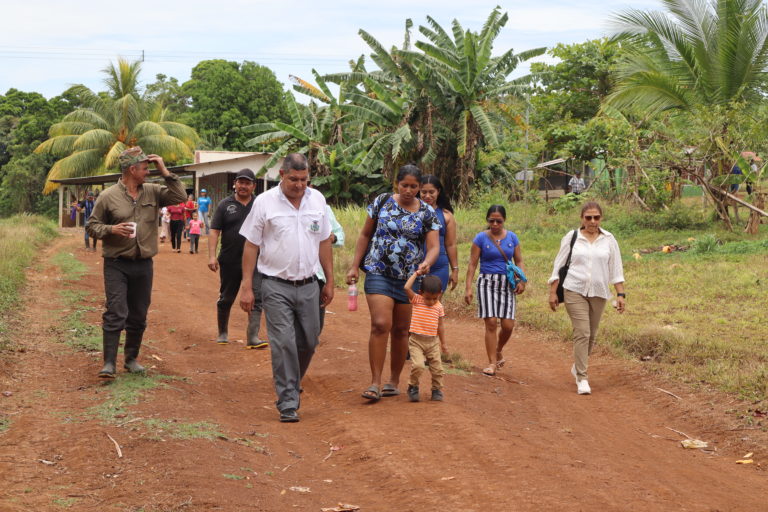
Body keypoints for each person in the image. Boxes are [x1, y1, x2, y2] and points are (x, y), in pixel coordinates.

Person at [238, 153, 334, 423]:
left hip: (309, 285)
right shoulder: (264, 202)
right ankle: (288, 399)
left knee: (308, 341)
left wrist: (329, 280)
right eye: (294, 179)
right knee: (283, 344)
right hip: (275, 285)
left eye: (304, 180)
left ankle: (291, 380)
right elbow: (251, 245)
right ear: (282, 175)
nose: (300, 185)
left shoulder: (318, 200)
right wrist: (247, 286)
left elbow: (324, 241)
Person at [86, 146, 187, 378]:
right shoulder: (107, 196)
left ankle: (131, 359)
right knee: (116, 311)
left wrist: (164, 170)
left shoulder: (153, 191)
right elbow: (91, 226)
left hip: (143, 264)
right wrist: (112, 229)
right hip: (116, 263)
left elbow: (180, 197)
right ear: (132, 170)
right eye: (145, 168)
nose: (148, 173)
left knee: (139, 314)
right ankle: (109, 363)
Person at [346, 164, 440, 401]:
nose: (409, 190)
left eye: (414, 186)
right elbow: (365, 234)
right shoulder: (382, 202)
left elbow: (434, 246)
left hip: (409, 280)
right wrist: (354, 265)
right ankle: (375, 382)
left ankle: (393, 380)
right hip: (378, 271)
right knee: (380, 324)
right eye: (404, 185)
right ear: (396, 183)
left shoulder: (427, 213)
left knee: (400, 331)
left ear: (420, 187)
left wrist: (427, 262)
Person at [548, 202, 625, 395]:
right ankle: (582, 377)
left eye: (596, 217)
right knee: (582, 332)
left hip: (599, 292)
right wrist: (552, 292)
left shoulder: (609, 239)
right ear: (582, 218)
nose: (592, 221)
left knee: (591, 334)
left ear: (601, 218)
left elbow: (616, 268)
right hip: (574, 289)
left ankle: (577, 365)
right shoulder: (572, 237)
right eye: (588, 217)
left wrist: (620, 294)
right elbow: (558, 265)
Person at [207, 168, 266, 349]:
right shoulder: (225, 205)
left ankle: (252, 336)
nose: (243, 186)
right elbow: (215, 230)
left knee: (256, 296)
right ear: (235, 184)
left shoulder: (260, 204)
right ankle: (223, 332)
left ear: (253, 186)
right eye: (240, 182)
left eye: (247, 183)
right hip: (230, 259)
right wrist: (211, 256)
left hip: (256, 260)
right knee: (227, 297)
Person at [464, 205, 526, 376]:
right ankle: (492, 363)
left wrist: (522, 280)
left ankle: (498, 349)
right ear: (487, 220)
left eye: (499, 221)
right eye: (492, 220)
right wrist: (468, 287)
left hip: (507, 283)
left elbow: (519, 261)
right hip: (487, 282)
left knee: (508, 325)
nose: (495, 224)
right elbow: (472, 263)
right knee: (491, 322)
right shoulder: (480, 238)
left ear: (504, 220)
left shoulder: (512, 237)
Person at [419, 174, 458, 354]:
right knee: (414, 306)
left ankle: (434, 348)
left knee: (433, 308)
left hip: (440, 266)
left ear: (438, 192)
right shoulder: (412, 211)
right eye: (424, 192)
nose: (427, 196)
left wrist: (455, 269)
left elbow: (450, 244)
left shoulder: (446, 216)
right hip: (416, 265)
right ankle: (412, 345)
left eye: (431, 192)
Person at [403, 272, 445, 403]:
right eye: (428, 298)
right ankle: (413, 386)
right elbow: (406, 288)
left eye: (435, 298)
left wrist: (443, 343)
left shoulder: (439, 307)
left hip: (432, 342)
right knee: (418, 366)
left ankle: (436, 389)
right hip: (416, 341)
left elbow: (441, 326)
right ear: (421, 293)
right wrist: (416, 274)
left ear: (440, 293)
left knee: (437, 369)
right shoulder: (417, 300)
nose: (431, 302)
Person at [316, 204, 345, 335]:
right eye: (295, 180)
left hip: (317, 274)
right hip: (284, 276)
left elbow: (339, 235)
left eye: (304, 181)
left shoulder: (321, 207)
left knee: (315, 325)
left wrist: (333, 238)